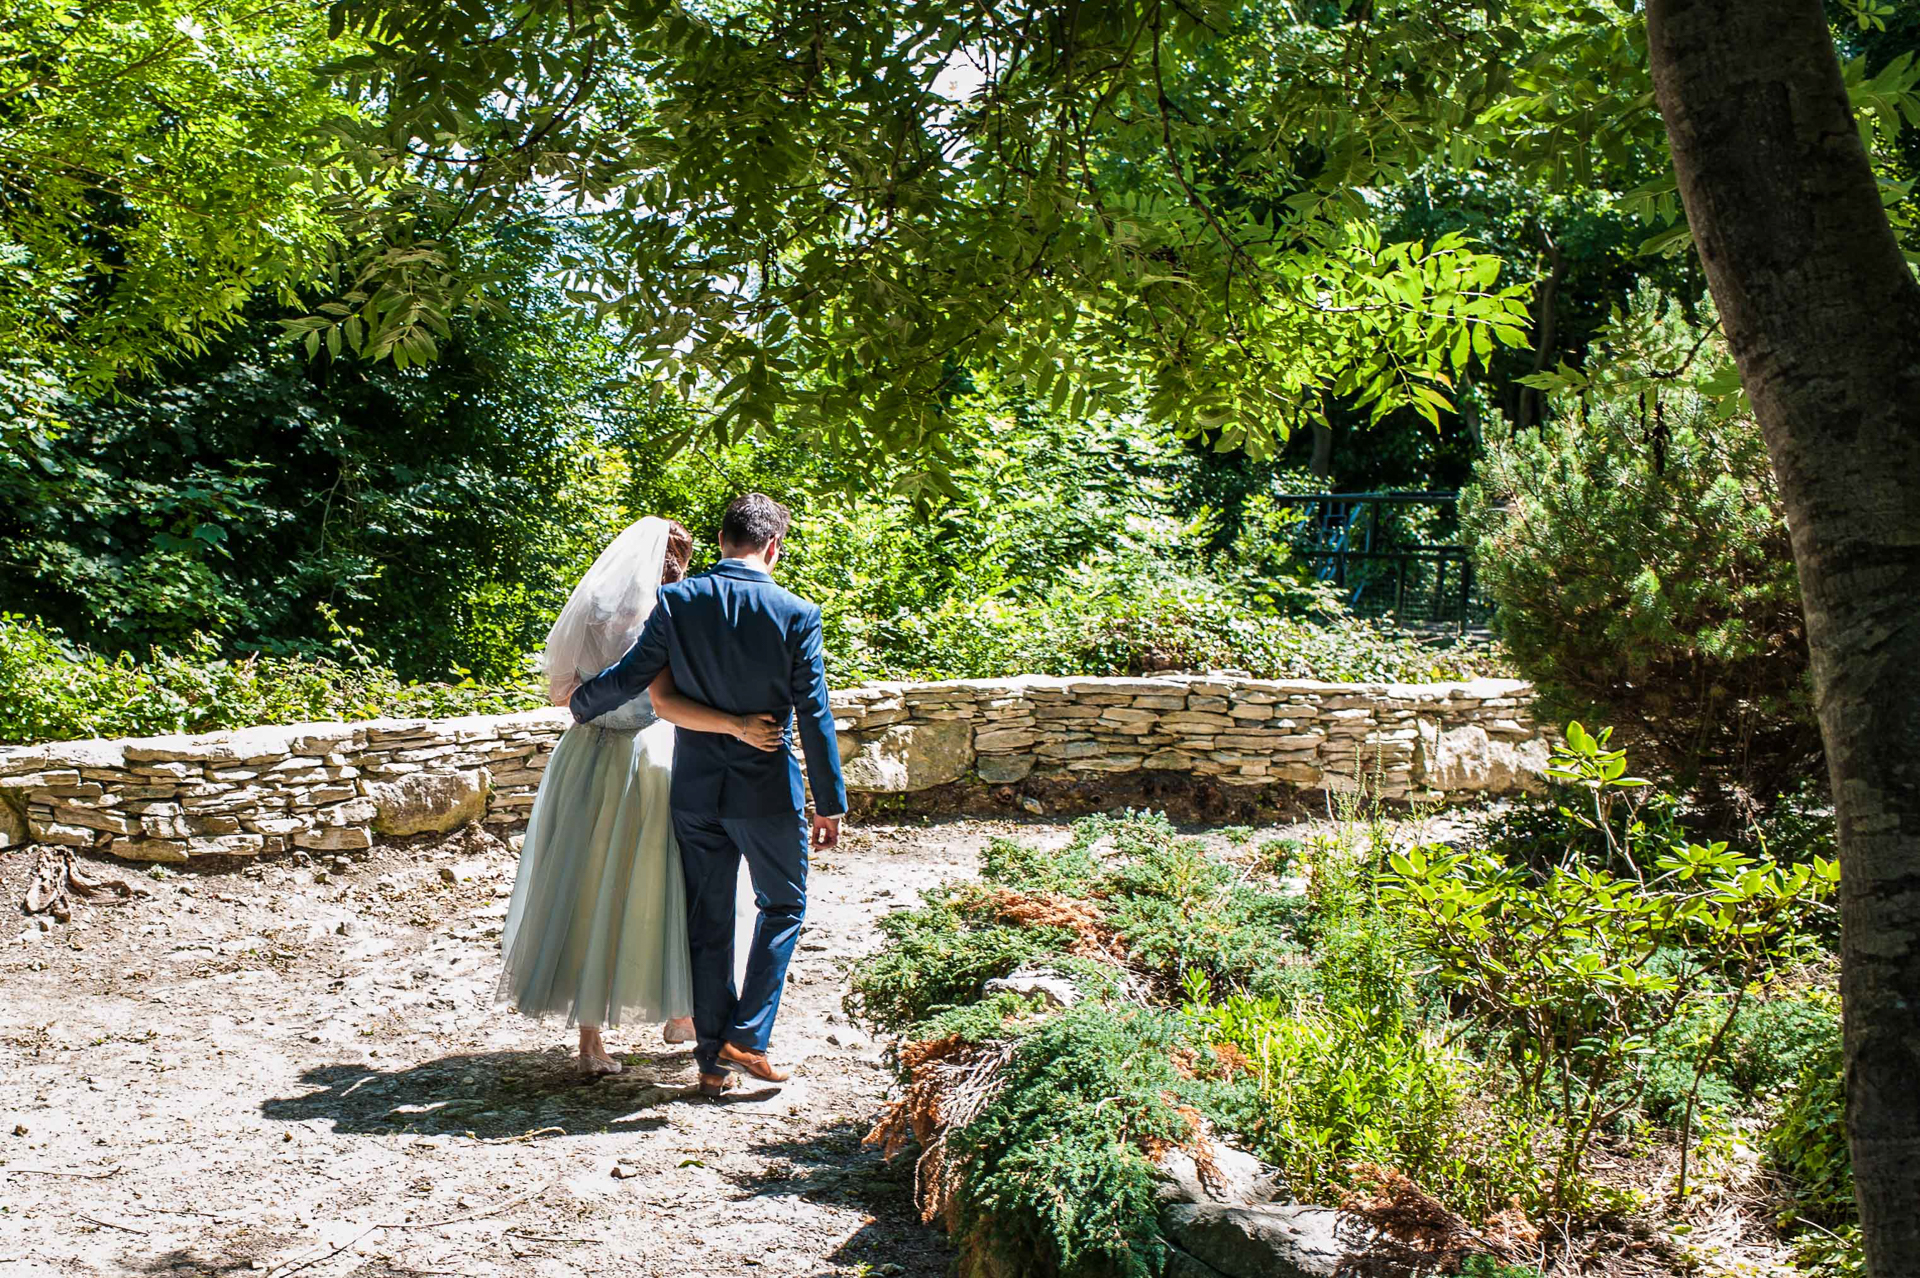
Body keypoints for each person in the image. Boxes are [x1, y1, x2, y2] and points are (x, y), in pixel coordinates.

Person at [569, 493, 847, 1096]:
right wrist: (829, 803)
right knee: (783, 907)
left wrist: (582, 704)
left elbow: (632, 674)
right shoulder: (797, 612)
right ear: (773, 546)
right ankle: (747, 1036)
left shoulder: (677, 600)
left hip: (693, 790)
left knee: (708, 921)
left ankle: (711, 1064)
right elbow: (814, 712)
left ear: (722, 540)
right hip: (766, 790)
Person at [496, 516, 784, 1076]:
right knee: (669, 878)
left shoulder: (590, 614)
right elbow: (674, 693)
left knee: (586, 884)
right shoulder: (674, 613)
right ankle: (680, 1013)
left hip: (586, 757)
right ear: (676, 562)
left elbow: (563, 694)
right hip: (653, 754)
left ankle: (591, 1039)